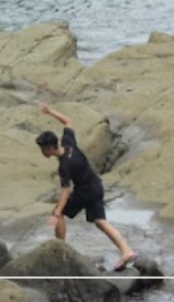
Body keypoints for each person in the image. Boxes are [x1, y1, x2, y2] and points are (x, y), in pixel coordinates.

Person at [35, 102, 138, 271]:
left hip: (85, 192)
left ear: (49, 148)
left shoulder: (64, 166)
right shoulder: (69, 144)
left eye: (42, 150)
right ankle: (127, 251)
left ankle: (61, 250)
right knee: (101, 222)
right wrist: (50, 112)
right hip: (96, 186)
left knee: (59, 213)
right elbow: (68, 122)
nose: (42, 153)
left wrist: (56, 213)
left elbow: (65, 192)